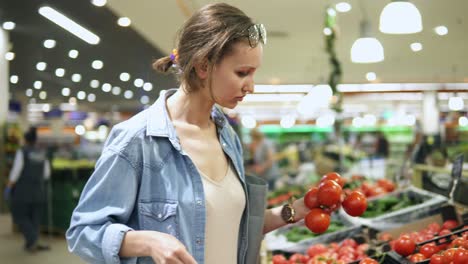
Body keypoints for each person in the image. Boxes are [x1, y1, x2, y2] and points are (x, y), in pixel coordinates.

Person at [66, 3, 311, 264]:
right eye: (242, 73)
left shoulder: (226, 135)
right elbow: (83, 232)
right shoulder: (138, 140)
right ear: (203, 66)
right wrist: (149, 241)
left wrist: (295, 210)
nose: (251, 86)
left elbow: (231, 229)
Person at [5, 127, 51, 252]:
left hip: (23, 192)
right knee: (35, 218)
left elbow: (16, 171)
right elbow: (47, 174)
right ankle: (32, 243)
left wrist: (9, 186)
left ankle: (32, 239)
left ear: (25, 140)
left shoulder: (23, 152)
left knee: (19, 216)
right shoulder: (42, 153)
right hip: (39, 192)